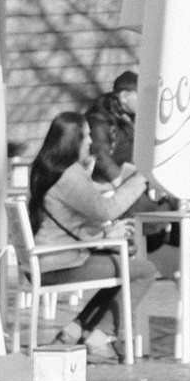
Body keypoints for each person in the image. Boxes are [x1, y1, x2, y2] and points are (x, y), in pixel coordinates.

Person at [29, 117, 151, 349]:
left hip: (48, 259)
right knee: (144, 271)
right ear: (72, 141)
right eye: (86, 135)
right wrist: (141, 177)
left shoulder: (49, 169)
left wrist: (105, 233)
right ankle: (101, 338)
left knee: (121, 266)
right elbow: (106, 209)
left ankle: (72, 332)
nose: (91, 141)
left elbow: (71, 220)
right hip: (57, 265)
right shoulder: (69, 176)